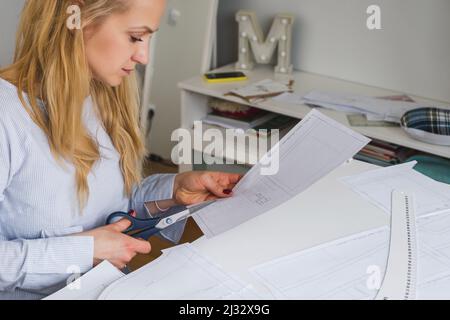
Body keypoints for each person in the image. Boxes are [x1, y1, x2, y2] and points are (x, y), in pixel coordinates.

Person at [0, 0, 241, 299]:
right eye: (135, 37)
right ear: (78, 20)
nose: (143, 56)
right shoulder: (6, 117)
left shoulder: (102, 99)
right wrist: (85, 251)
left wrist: (173, 192)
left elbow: (112, 208)